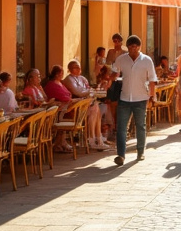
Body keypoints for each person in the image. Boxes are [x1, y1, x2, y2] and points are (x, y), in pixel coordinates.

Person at [111, 35, 157, 164]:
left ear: (139, 47)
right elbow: (115, 73)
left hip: (141, 98)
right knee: (121, 127)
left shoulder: (147, 60)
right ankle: (121, 155)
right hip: (124, 98)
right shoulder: (121, 59)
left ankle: (140, 151)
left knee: (140, 126)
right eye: (131, 47)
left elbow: (152, 80)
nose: (133, 49)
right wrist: (110, 78)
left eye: (136, 47)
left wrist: (152, 97)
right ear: (128, 47)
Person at [63, 59, 108, 151]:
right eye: (75, 67)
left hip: (86, 105)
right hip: (75, 108)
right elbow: (78, 92)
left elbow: (89, 90)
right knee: (95, 108)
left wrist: (91, 91)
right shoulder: (68, 79)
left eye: (79, 66)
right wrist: (90, 92)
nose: (79, 68)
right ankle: (92, 139)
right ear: (70, 69)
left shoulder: (82, 78)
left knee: (96, 106)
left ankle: (97, 138)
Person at [44, 65, 74, 152]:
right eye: (61, 73)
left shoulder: (60, 83)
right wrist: (68, 99)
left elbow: (68, 94)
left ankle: (61, 143)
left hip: (63, 108)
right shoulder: (52, 85)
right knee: (62, 117)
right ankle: (60, 143)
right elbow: (63, 97)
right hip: (56, 111)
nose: (62, 75)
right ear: (57, 74)